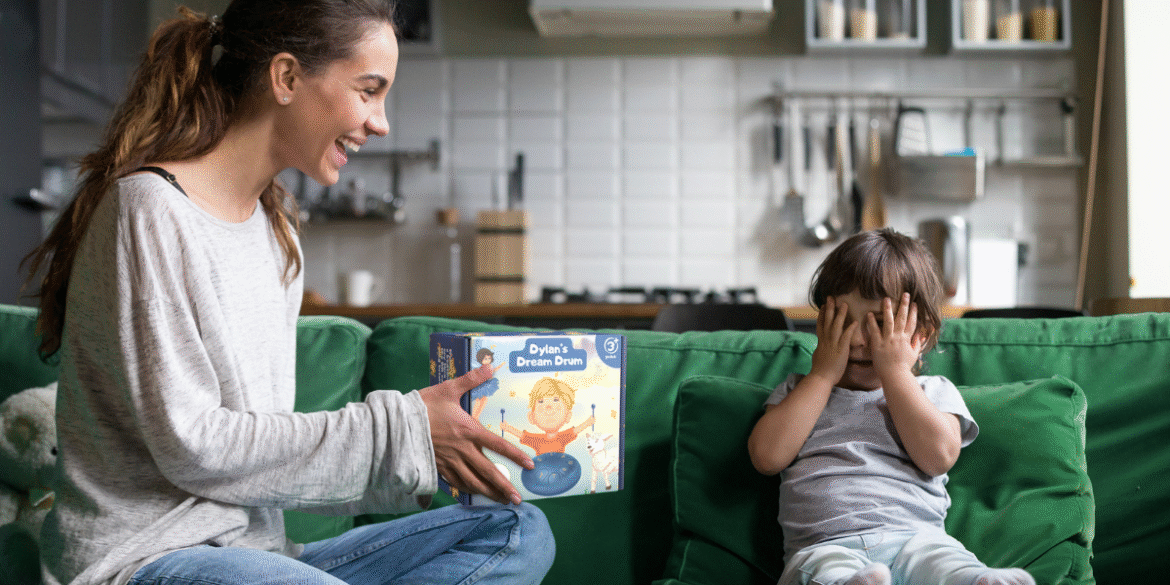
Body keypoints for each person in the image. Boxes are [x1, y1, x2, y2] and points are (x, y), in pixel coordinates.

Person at [21, 2, 554, 585]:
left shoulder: (276, 227)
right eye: (368, 91)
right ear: (287, 78)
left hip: (265, 557)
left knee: (518, 531)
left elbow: (256, 458)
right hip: (145, 560)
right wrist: (405, 430)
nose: (381, 122)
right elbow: (192, 446)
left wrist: (428, 441)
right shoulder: (149, 209)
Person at [746, 229, 1035, 585]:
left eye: (881, 324)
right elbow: (766, 457)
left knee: (945, 563)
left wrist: (896, 371)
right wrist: (821, 376)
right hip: (824, 546)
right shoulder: (799, 392)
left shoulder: (932, 392)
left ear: (920, 336)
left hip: (916, 541)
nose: (857, 339)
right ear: (821, 323)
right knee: (820, 572)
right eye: (843, 321)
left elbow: (938, 456)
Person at [501, 378, 594, 456]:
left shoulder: (563, 437)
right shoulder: (536, 440)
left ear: (567, 416)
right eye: (541, 402)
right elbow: (522, 435)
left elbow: (576, 430)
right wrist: (507, 428)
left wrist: (588, 423)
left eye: (556, 400)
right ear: (531, 417)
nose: (549, 409)